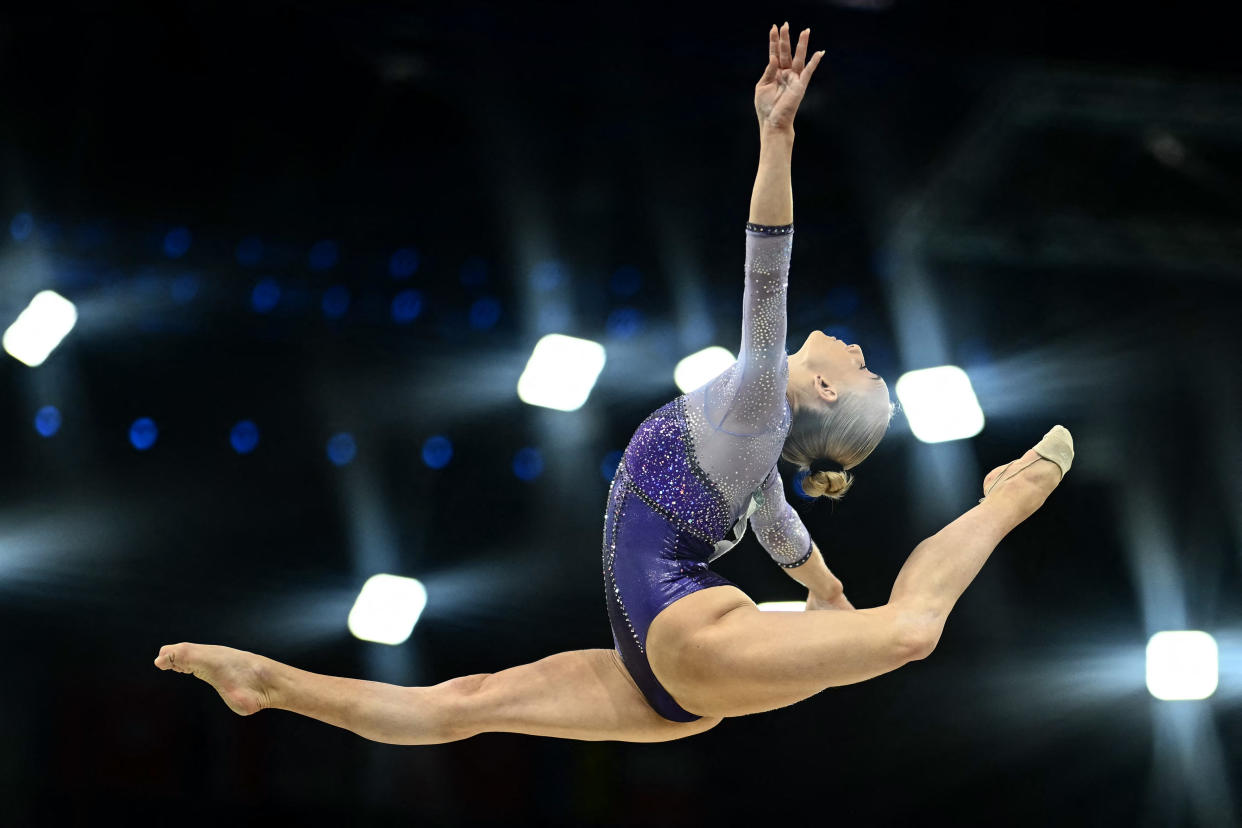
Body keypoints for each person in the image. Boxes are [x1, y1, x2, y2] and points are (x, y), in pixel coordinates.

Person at [155, 22, 1073, 745]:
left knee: (910, 633)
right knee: (458, 704)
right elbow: (779, 524)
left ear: (824, 394)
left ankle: (1006, 499)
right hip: (661, 669)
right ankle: (266, 682)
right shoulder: (748, 450)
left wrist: (775, 135)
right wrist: (827, 589)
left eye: (865, 371)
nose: (860, 350)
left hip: (685, 636)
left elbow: (768, 268)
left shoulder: (759, 396)